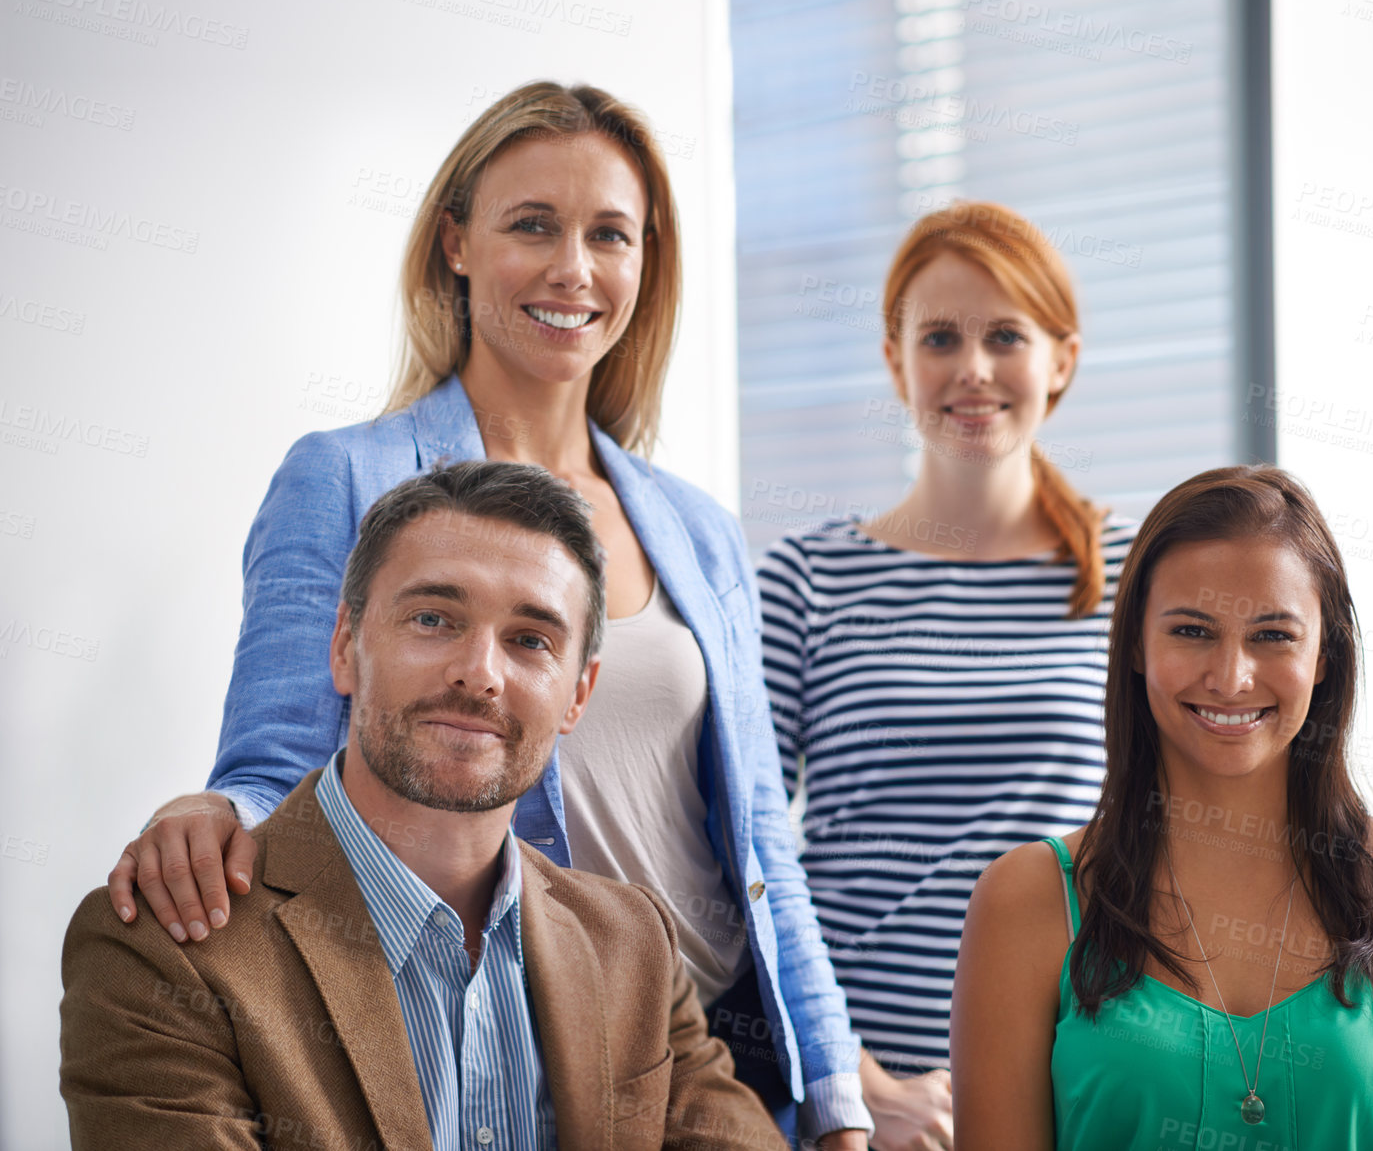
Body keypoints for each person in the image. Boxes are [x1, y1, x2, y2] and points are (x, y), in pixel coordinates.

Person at [102, 81, 868, 1147]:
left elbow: (759, 840)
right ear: (456, 244)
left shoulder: (696, 525)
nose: (574, 269)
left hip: (719, 1055)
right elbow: (276, 755)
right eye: (533, 226)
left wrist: (839, 1103)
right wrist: (212, 810)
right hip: (525, 1045)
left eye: (611, 234)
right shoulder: (346, 476)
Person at [61, 461, 785, 1150]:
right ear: (344, 646)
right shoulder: (164, 953)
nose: (479, 674)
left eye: (530, 640)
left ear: (578, 694)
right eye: (434, 619)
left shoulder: (632, 942)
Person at [950, 466, 1373, 1150]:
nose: (1231, 678)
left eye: (1272, 635)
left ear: (1324, 654)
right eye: (1192, 631)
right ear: (1136, 647)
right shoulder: (1025, 899)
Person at [757, 201, 1137, 1149]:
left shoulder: (1140, 571)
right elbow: (743, 858)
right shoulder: (805, 579)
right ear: (896, 363)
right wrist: (855, 1086)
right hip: (866, 1104)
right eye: (940, 338)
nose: (971, 368)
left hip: (1087, 1071)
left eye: (1004, 335)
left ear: (1062, 359)